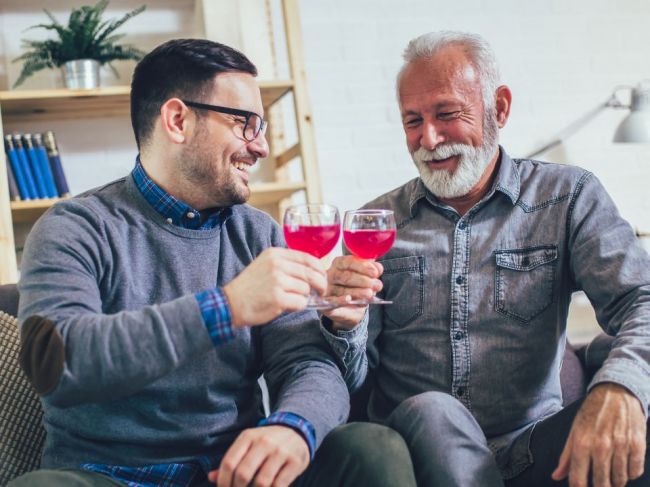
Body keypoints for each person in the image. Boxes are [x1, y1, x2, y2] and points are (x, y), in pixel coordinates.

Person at [11, 39, 416, 487]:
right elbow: (57, 362)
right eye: (245, 124)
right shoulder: (74, 227)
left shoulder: (258, 233)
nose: (261, 147)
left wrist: (293, 427)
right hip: (108, 477)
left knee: (371, 448)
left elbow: (306, 362)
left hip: (234, 474)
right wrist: (226, 308)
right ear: (178, 120)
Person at [321, 30, 650, 487]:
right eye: (412, 121)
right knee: (433, 409)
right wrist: (343, 326)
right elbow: (352, 379)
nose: (429, 139)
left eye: (447, 114)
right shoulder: (376, 224)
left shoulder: (567, 197)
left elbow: (642, 299)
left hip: (535, 449)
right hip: (420, 454)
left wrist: (621, 386)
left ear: (500, 108)